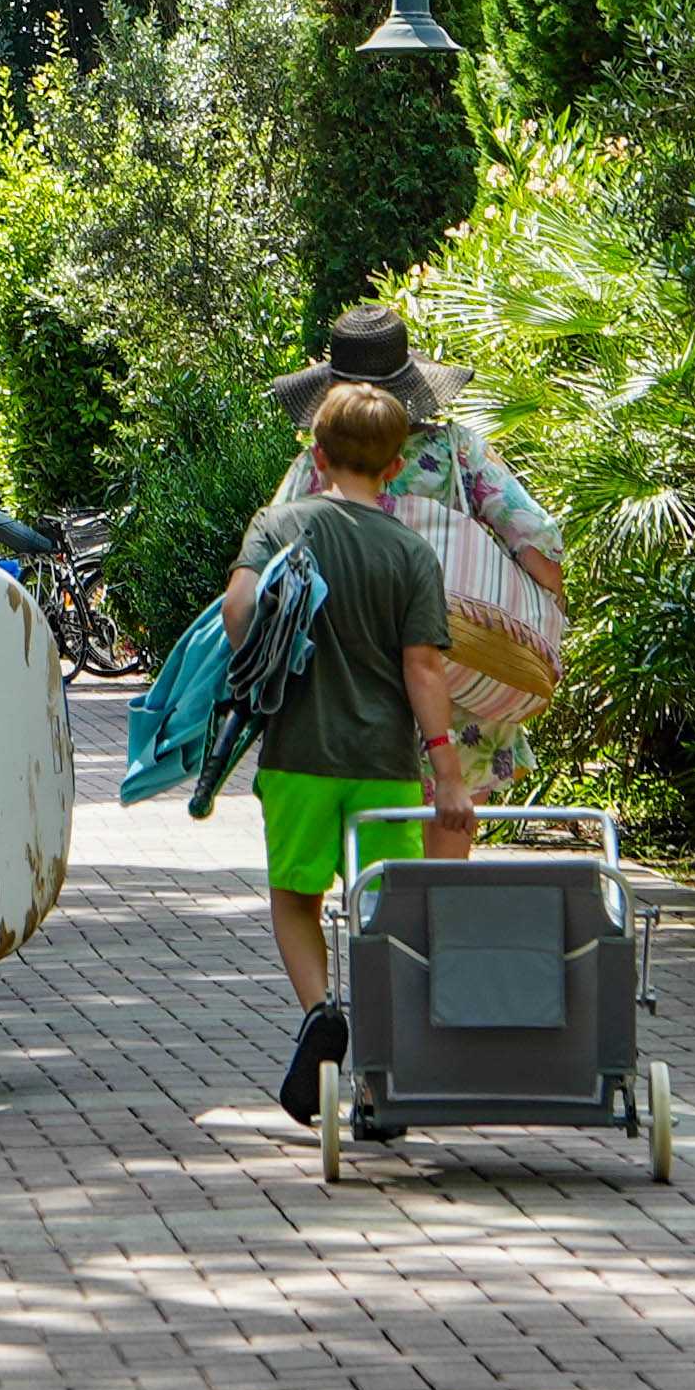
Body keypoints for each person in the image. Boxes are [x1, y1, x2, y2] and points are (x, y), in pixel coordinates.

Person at [226, 378, 475, 1127]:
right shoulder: (409, 552)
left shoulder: (280, 523)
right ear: (396, 465)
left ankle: (317, 1013)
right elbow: (423, 668)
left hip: (299, 753)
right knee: (381, 913)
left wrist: (259, 660)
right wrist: (449, 776)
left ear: (319, 454)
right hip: (383, 767)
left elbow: (240, 607)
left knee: (296, 900)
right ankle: (380, 1070)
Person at [263, 302, 567, 736]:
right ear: (409, 381)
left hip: (353, 694)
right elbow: (535, 536)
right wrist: (548, 602)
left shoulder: (319, 465)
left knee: (368, 805)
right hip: (457, 683)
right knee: (455, 801)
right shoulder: (455, 452)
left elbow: (274, 559)